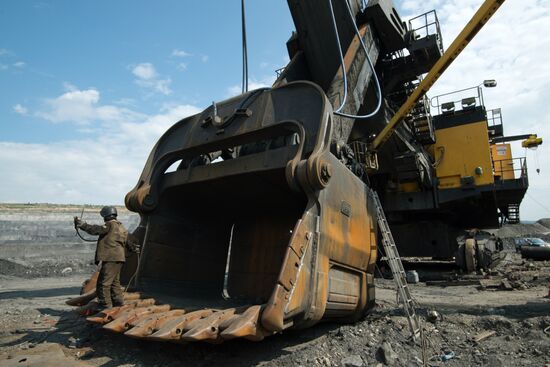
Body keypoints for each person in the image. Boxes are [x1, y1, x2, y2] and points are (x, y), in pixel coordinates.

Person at [74, 206, 131, 309]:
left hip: (111, 258)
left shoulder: (109, 225)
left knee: (103, 283)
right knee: (114, 283)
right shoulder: (122, 227)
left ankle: (105, 306)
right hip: (119, 258)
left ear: (106, 216)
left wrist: (82, 225)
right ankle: (119, 303)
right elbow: (129, 243)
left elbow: (96, 229)